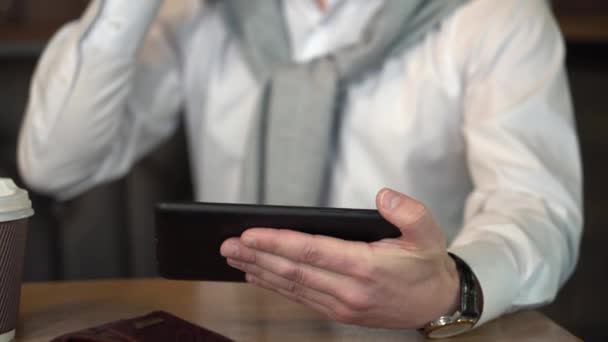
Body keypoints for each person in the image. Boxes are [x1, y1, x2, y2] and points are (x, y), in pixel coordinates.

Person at [18, 0, 582, 337]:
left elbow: (535, 204)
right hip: (221, 329)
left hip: (412, 334)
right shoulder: (197, 12)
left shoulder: (495, 15)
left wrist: (452, 287)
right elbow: (55, 164)